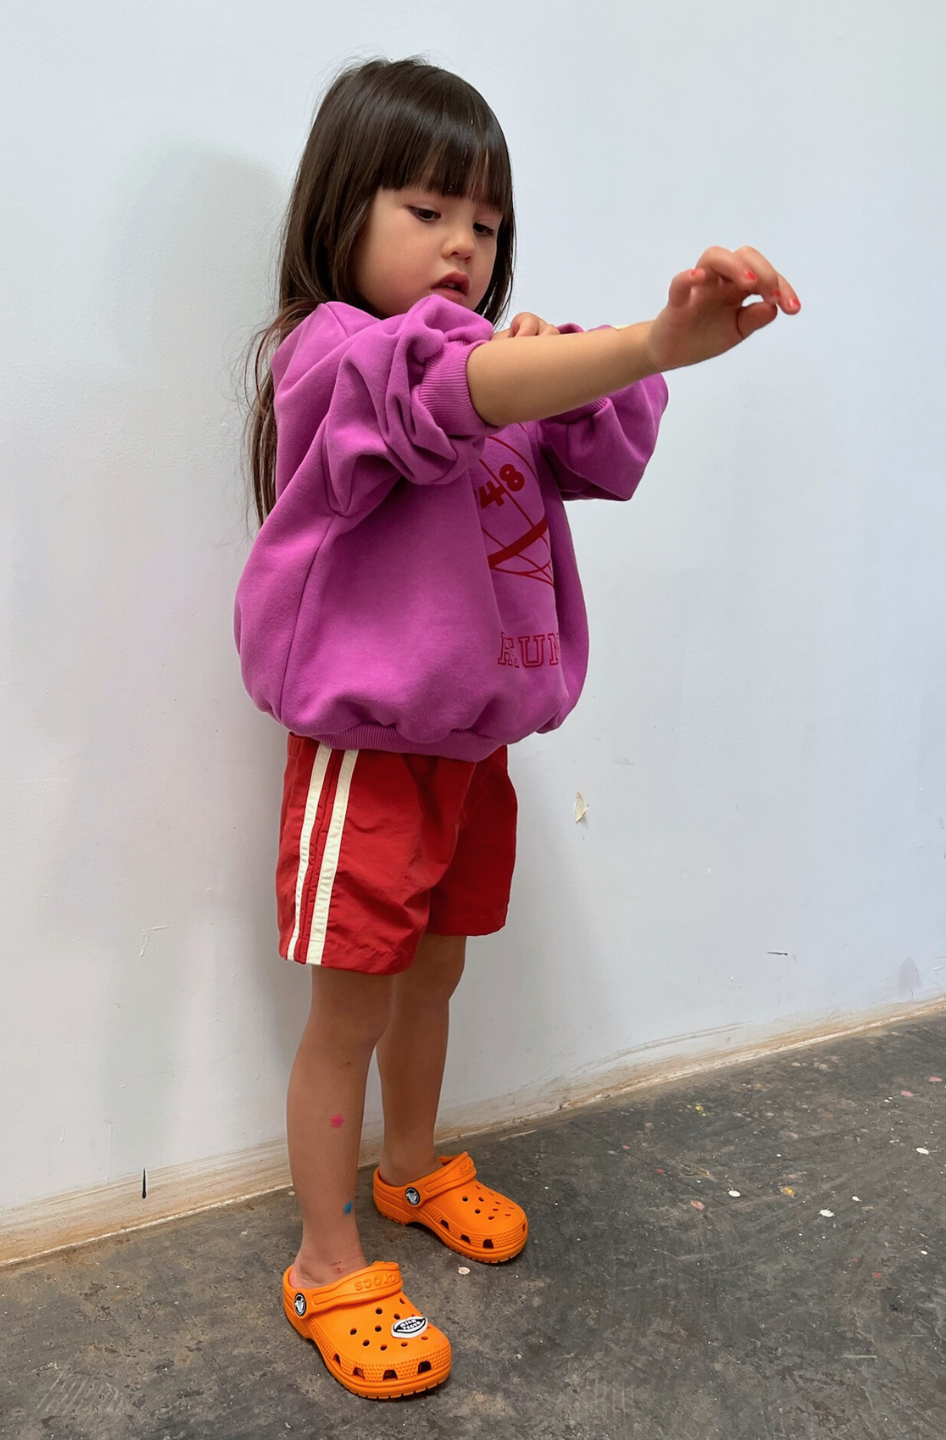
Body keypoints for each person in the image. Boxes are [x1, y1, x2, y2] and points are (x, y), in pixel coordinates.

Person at [232, 55, 800, 1401]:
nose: (463, 246)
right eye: (429, 209)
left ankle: (413, 1161)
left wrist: (597, 364)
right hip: (369, 754)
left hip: (472, 755)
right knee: (349, 1006)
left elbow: (598, 451)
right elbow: (442, 396)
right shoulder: (333, 360)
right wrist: (638, 345)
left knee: (434, 975)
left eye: (483, 224)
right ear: (340, 212)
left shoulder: (487, 364)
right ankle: (323, 1259)